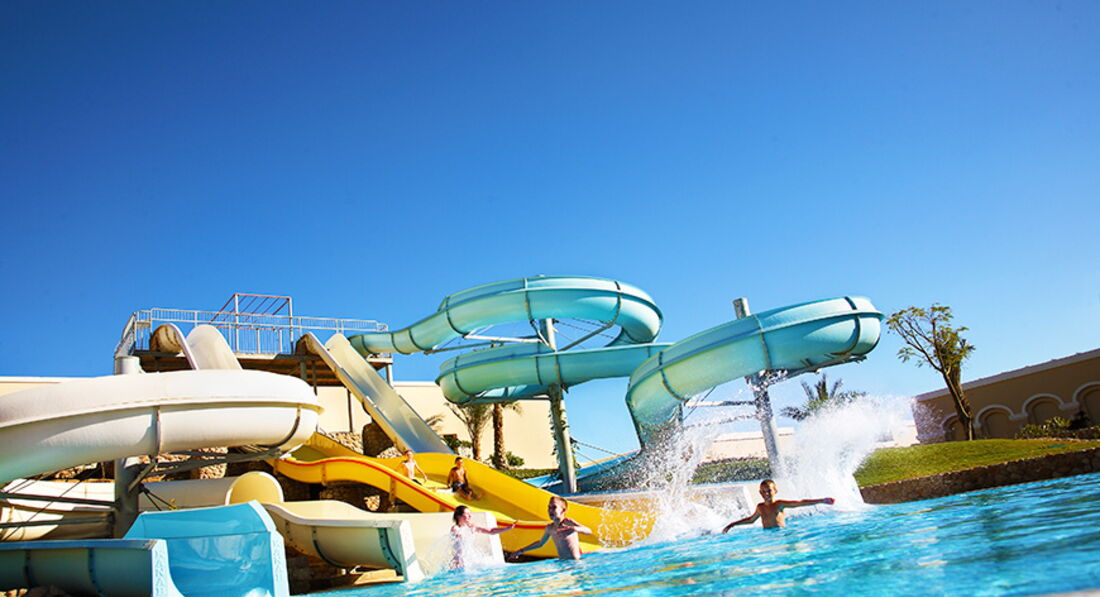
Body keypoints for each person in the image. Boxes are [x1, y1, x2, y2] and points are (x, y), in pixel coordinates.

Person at [722, 479, 834, 531]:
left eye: (769, 491)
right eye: (763, 491)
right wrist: (732, 524)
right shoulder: (760, 507)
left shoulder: (779, 504)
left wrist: (822, 500)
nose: (766, 493)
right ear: (760, 493)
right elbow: (751, 520)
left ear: (775, 491)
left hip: (780, 532)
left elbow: (800, 503)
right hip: (767, 535)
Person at [507, 496, 591, 561]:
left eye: (554, 507)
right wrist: (521, 551)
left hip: (575, 561)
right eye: (549, 507)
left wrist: (575, 529)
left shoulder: (568, 522)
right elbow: (540, 543)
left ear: (563, 510)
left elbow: (588, 531)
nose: (550, 510)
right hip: (562, 562)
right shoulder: (550, 528)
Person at [450, 505, 515, 568]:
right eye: (467, 514)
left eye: (470, 514)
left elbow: (491, 531)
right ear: (459, 516)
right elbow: (458, 535)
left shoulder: (471, 527)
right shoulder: (455, 528)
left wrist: (507, 528)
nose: (470, 516)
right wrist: (462, 534)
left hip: (468, 561)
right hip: (458, 562)